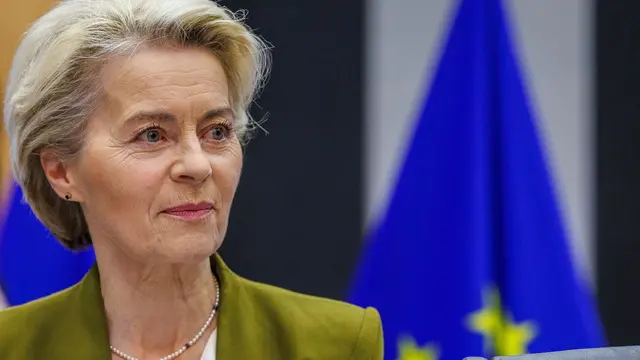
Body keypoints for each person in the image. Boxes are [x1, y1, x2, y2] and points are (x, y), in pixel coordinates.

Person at [0, 0, 383, 358]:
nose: (198, 166)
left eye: (216, 132)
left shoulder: (335, 344)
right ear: (61, 171)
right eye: (152, 135)